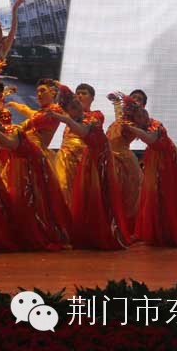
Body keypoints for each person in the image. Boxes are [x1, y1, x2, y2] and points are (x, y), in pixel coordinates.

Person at [0, 115, 71, 251]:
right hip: (26, 168)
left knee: (34, 202)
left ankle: (43, 231)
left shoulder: (12, 132)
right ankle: (37, 231)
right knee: (28, 202)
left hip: (32, 169)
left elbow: (1, 134)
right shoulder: (5, 135)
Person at [46, 89, 131, 250]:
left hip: (101, 160)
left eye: (78, 103)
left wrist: (65, 118)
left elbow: (85, 130)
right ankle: (79, 232)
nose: (78, 105)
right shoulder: (72, 122)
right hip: (84, 159)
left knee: (102, 196)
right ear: (68, 111)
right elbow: (79, 130)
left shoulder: (95, 116)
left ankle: (106, 233)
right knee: (78, 194)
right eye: (73, 106)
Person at [119, 94, 177, 247]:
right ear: (135, 119)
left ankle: (171, 232)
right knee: (151, 195)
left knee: (167, 194)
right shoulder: (138, 127)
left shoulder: (156, 125)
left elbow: (151, 139)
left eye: (143, 112)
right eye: (138, 115)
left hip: (167, 162)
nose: (143, 116)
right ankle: (156, 232)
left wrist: (132, 127)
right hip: (154, 159)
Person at [55, 83, 105, 205]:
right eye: (78, 93)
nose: (80, 96)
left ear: (92, 98)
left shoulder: (96, 115)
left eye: (84, 93)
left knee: (81, 196)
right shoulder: (68, 115)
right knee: (61, 189)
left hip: (83, 162)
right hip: (65, 159)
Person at [104, 91, 144, 233]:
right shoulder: (122, 117)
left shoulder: (140, 120)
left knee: (126, 197)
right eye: (134, 97)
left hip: (123, 161)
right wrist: (116, 101)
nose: (135, 100)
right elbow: (119, 113)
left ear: (143, 105)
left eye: (139, 99)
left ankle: (125, 229)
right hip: (109, 159)